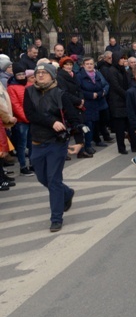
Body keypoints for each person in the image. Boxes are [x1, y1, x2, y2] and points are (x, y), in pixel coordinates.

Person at [23, 63, 84, 232]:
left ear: (52, 76)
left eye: (44, 73)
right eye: (38, 73)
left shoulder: (60, 94)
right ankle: (67, 193)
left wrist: (80, 141)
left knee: (54, 180)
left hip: (56, 143)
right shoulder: (29, 92)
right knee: (43, 178)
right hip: (37, 143)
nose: (40, 75)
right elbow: (30, 115)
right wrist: (52, 122)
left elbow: (74, 117)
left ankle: (56, 218)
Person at [7, 63, 33, 176]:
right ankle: (23, 166)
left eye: (23, 74)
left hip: (31, 118)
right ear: (15, 75)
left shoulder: (29, 85)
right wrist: (26, 118)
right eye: (19, 74)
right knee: (21, 145)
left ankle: (33, 164)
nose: (22, 76)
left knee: (32, 143)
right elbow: (15, 105)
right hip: (21, 120)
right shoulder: (11, 87)